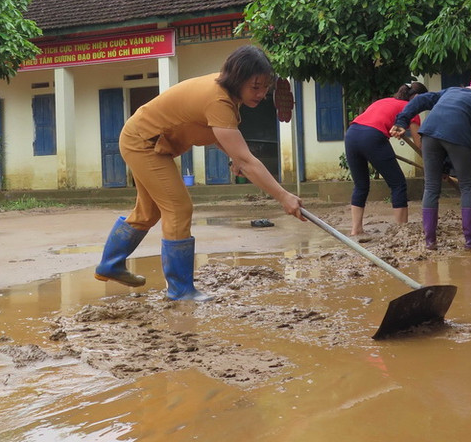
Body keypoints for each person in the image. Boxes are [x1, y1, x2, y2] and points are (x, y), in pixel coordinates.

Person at [94, 45, 303, 300]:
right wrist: (283, 196)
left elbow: (219, 136)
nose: (261, 94)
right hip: (142, 142)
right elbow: (247, 161)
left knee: (149, 211)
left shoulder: (227, 97)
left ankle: (110, 264)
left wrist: (234, 157)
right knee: (178, 208)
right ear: (237, 79)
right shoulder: (218, 100)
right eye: (255, 87)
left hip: (145, 139)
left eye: (265, 87)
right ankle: (180, 289)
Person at [389, 71, 471, 251]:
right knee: (467, 187)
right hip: (458, 136)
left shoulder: (451, 91)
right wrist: (448, 165)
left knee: (431, 187)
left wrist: (401, 121)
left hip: (428, 134)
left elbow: (420, 100)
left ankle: (430, 241)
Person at [344, 82, 429, 236]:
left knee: (361, 185)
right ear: (418, 99)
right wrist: (436, 163)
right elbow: (420, 145)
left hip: (352, 134)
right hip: (373, 137)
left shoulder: (383, 101)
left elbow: (375, 120)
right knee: (398, 184)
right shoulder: (411, 110)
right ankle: (402, 231)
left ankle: (356, 229)